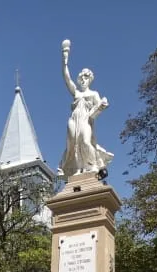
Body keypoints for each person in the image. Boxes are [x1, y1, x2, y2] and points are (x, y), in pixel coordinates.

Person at [58, 39, 113, 178]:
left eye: (86, 78)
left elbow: (98, 109)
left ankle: (93, 165)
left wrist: (102, 105)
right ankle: (77, 169)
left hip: (86, 120)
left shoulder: (94, 94)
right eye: (81, 78)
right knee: (73, 144)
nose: (83, 80)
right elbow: (66, 78)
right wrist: (65, 60)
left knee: (85, 141)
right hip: (74, 119)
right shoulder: (76, 93)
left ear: (90, 80)